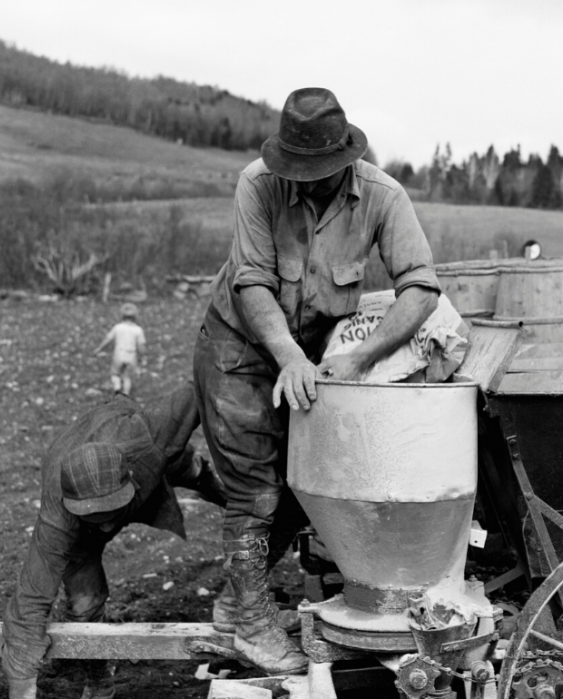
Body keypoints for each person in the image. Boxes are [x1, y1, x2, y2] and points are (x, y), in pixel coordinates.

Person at [193, 87, 440, 674]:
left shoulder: (383, 196)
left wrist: (359, 357)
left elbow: (422, 289)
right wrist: (288, 356)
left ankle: (235, 603)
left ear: (343, 158)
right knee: (255, 489)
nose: (302, 181)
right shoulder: (257, 183)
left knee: (307, 483)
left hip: (317, 354)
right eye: (294, 170)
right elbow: (251, 282)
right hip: (240, 347)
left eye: (315, 171)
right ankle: (253, 627)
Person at [1, 383, 227, 699]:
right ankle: (98, 683)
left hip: (146, 459)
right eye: (95, 514)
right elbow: (29, 602)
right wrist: (22, 685)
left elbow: (206, 383)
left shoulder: (149, 432)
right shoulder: (59, 516)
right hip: (82, 530)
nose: (108, 523)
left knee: (189, 466)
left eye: (110, 511)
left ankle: (228, 493)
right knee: (85, 604)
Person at [93, 302, 146, 396]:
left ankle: (117, 388)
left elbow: (108, 339)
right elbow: (141, 346)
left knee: (115, 374)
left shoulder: (118, 327)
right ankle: (126, 395)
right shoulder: (138, 330)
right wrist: (142, 357)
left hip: (119, 354)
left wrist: (99, 348)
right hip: (131, 355)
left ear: (122, 315)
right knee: (127, 376)